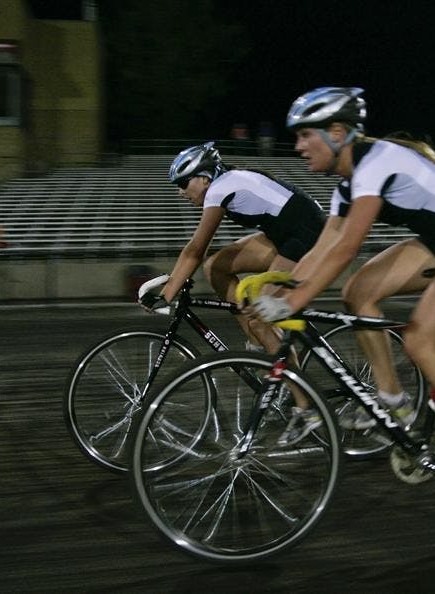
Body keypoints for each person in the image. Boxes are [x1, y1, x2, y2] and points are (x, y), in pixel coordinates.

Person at [249, 87, 435, 506]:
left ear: (338, 132)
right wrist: (276, 288)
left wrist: (295, 302)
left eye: (305, 135)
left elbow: (345, 249)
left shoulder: (376, 163)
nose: (299, 146)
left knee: (419, 339)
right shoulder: (346, 186)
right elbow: (322, 249)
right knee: (357, 292)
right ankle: (394, 401)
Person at [138, 141, 326, 445]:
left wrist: (168, 293)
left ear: (205, 177)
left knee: (260, 317)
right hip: (285, 231)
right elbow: (202, 258)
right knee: (216, 268)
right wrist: (174, 282)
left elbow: (195, 249)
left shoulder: (219, 189)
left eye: (184, 183)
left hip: (306, 235)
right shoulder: (225, 183)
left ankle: (306, 406)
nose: (180, 192)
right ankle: (259, 346)